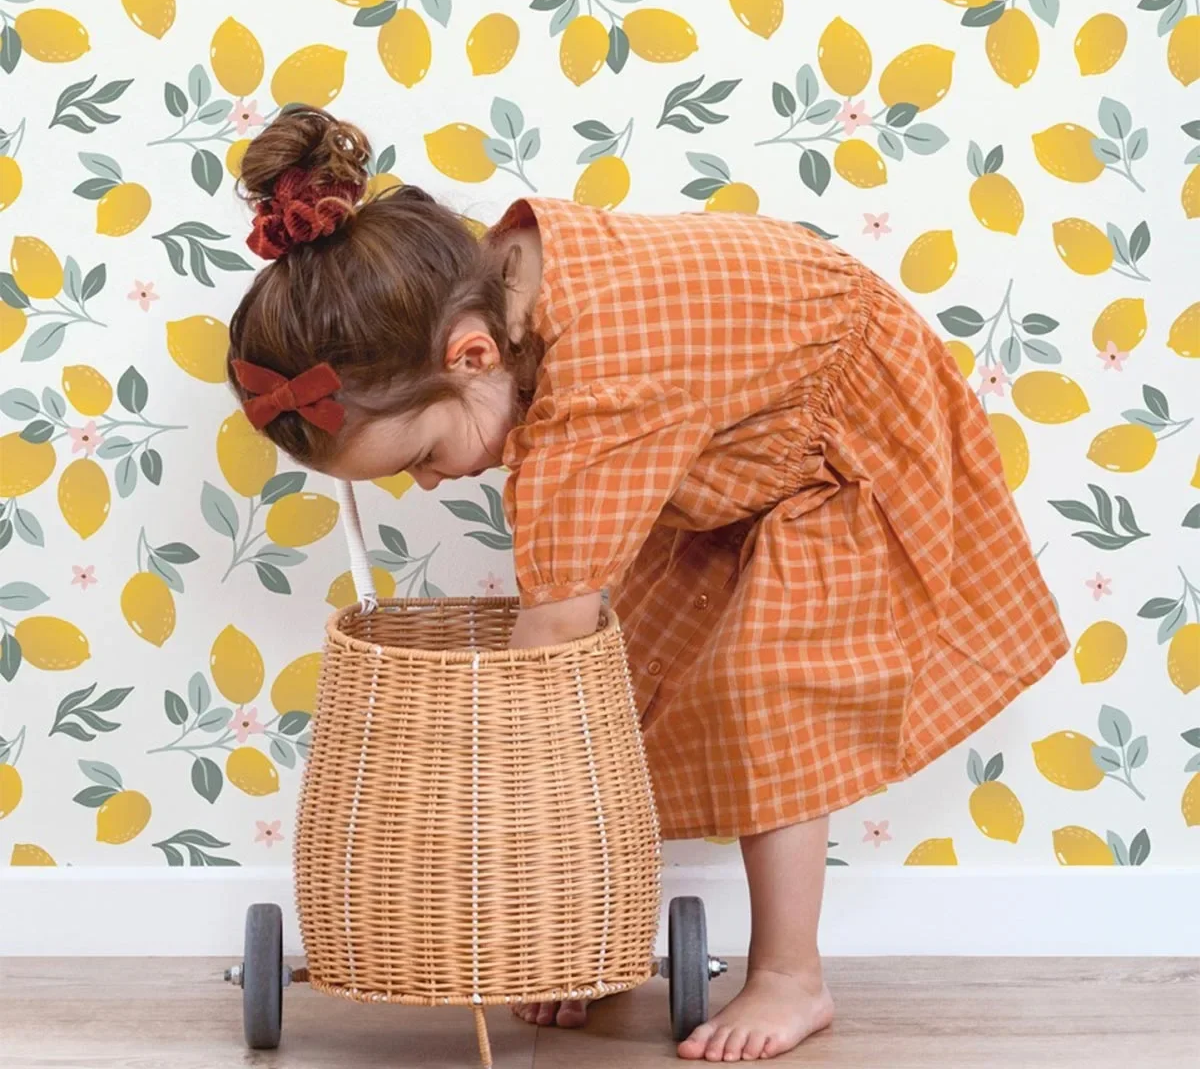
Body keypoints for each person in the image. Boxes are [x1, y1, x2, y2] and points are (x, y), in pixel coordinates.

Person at [226, 106, 1070, 1062]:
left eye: (421, 455)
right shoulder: (497, 297)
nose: (427, 483)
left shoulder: (600, 388)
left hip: (835, 436)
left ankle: (792, 973)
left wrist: (477, 780)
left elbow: (548, 646)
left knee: (770, 688)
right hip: (733, 434)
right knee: (633, 674)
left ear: (472, 356)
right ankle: (585, 933)